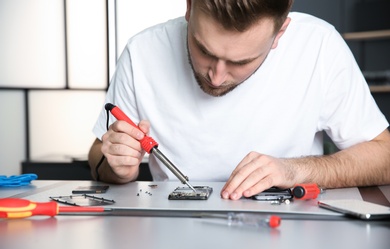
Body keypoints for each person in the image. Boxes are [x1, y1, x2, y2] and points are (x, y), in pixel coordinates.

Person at [88, 0, 390, 200]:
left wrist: (297, 170)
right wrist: (115, 165)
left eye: (242, 61)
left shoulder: (319, 46)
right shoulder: (142, 52)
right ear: (190, 7)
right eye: (204, 50)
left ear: (279, 33)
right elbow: (99, 155)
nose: (216, 77)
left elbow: (384, 156)